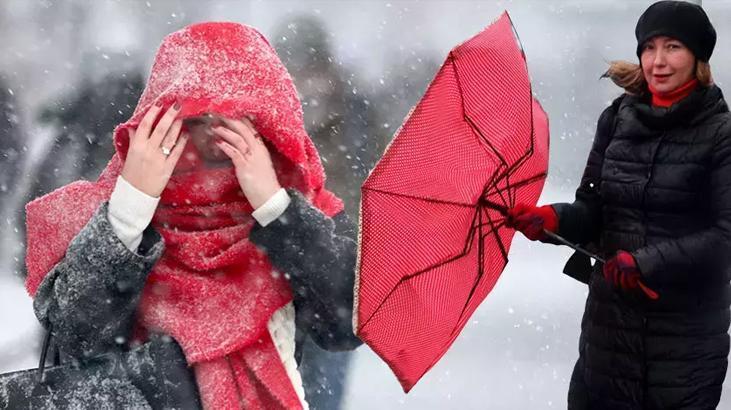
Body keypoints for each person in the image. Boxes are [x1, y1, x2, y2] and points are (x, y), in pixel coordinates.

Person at [25, 22, 361, 410]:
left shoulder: (293, 212)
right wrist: (130, 207)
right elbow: (74, 333)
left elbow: (344, 324)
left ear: (266, 125)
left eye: (232, 122)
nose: (209, 141)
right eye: (194, 120)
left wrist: (276, 208)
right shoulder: (126, 205)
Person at [507, 2, 730, 409]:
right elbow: (594, 209)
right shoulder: (617, 119)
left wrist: (647, 262)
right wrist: (552, 218)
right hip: (607, 341)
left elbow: (724, 237)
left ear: (698, 58)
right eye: (649, 48)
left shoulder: (721, 134)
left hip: (683, 349)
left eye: (673, 47)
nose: (658, 61)